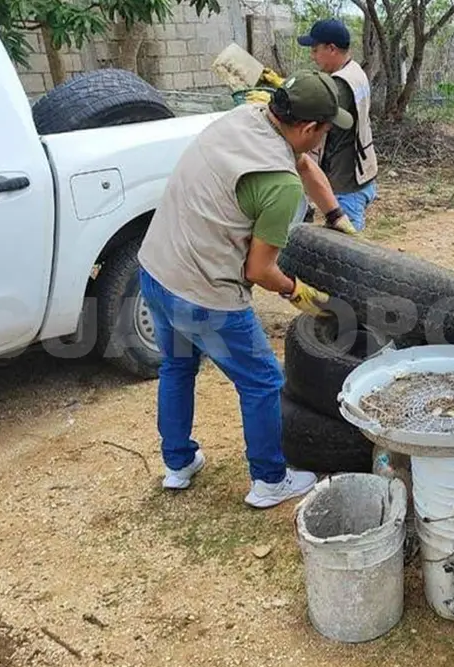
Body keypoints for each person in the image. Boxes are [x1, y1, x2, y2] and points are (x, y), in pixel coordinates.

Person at [136, 70, 353, 508]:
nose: (325, 137)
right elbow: (259, 269)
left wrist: (335, 216)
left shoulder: (247, 117)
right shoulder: (280, 186)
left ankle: (178, 465)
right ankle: (270, 481)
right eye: (326, 129)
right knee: (263, 382)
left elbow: (304, 162)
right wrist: (302, 293)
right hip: (204, 295)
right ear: (308, 128)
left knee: (177, 368)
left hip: (156, 272)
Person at [298, 18, 379, 233]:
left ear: (331, 48)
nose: (312, 57)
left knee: (348, 253)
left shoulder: (340, 85)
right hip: (363, 173)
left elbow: (307, 121)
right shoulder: (355, 72)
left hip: (347, 185)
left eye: (315, 50)